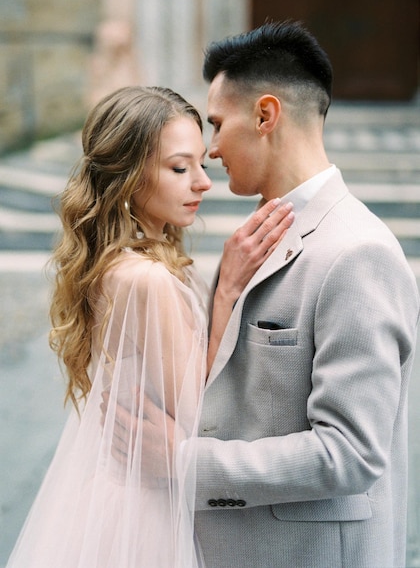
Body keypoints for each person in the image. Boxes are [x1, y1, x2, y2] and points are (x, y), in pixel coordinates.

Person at [110, 22, 420, 567]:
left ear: (264, 115)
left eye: (217, 124)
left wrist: (183, 465)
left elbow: (350, 453)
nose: (210, 149)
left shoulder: (355, 252)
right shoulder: (260, 235)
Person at [5, 85, 294, 568]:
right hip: (146, 512)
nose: (203, 182)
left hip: (118, 493)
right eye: (180, 168)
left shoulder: (119, 262)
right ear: (128, 178)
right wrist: (226, 293)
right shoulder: (146, 279)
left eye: (202, 163)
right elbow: (199, 407)